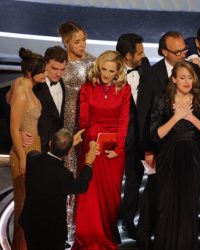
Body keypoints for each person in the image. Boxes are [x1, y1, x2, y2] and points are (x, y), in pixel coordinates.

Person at [136, 31, 200, 249]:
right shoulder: (152, 75)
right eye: (178, 51)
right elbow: (143, 114)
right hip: (159, 147)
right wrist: (148, 149)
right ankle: (146, 237)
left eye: (184, 49)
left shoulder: (192, 72)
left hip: (186, 150)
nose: (183, 54)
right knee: (156, 196)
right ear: (164, 52)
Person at [150, 61, 200, 250]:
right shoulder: (162, 100)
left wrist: (190, 117)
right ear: (174, 79)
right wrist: (176, 117)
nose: (187, 81)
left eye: (190, 77)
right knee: (165, 206)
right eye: (182, 77)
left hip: (193, 159)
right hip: (168, 159)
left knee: (189, 207)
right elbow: (155, 135)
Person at [72, 50, 130, 249]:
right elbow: (84, 120)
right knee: (89, 195)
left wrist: (119, 147)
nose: (106, 74)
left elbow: (124, 121)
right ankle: (87, 238)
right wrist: (90, 143)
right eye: (104, 69)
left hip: (114, 149)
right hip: (92, 147)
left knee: (110, 198)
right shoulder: (88, 88)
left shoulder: (124, 89)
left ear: (118, 71)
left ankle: (106, 235)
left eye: (111, 71)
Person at [19, 129, 98, 250]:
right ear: (67, 153)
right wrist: (88, 163)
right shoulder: (64, 175)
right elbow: (82, 186)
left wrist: (68, 145)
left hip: (30, 222)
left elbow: (39, 156)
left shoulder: (32, 159)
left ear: (50, 143)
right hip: (51, 231)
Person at [58, 20, 95, 241]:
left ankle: (72, 229)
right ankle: (60, 224)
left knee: (77, 173)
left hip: (82, 125)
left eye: (84, 40)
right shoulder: (57, 61)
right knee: (62, 172)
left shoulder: (91, 62)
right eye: (77, 41)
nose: (82, 45)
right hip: (60, 124)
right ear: (66, 42)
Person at [8, 48, 46, 250]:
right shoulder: (22, 92)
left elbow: (7, 99)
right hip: (24, 153)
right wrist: (22, 157)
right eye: (43, 72)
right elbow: (13, 128)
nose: (46, 75)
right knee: (23, 208)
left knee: (30, 206)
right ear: (31, 74)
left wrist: (24, 127)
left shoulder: (20, 83)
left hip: (34, 148)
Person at [116, 33, 151, 239]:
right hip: (119, 136)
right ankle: (110, 223)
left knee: (134, 181)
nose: (144, 55)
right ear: (128, 56)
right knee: (112, 183)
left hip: (140, 137)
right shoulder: (111, 70)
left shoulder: (145, 65)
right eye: (139, 52)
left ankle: (128, 221)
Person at [34, 46, 67, 152]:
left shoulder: (62, 83)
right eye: (54, 68)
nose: (58, 73)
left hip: (56, 148)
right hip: (37, 146)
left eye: (62, 69)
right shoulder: (35, 85)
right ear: (45, 64)